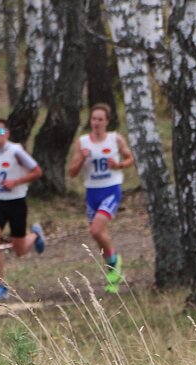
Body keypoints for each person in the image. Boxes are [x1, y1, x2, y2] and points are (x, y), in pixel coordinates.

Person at [68, 102, 135, 293]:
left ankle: (114, 261)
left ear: (107, 121)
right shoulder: (83, 142)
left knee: (96, 230)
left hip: (111, 189)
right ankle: (113, 271)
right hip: (92, 192)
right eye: (93, 119)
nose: (96, 122)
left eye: (100, 119)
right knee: (99, 234)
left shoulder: (115, 139)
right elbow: (72, 172)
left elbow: (131, 158)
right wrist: (81, 158)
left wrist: (119, 165)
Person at [0, 119, 46, 302]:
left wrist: (16, 182)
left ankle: (35, 235)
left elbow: (37, 171)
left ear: (7, 133)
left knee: (19, 250)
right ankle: (0, 286)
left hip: (17, 202)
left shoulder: (16, 151)